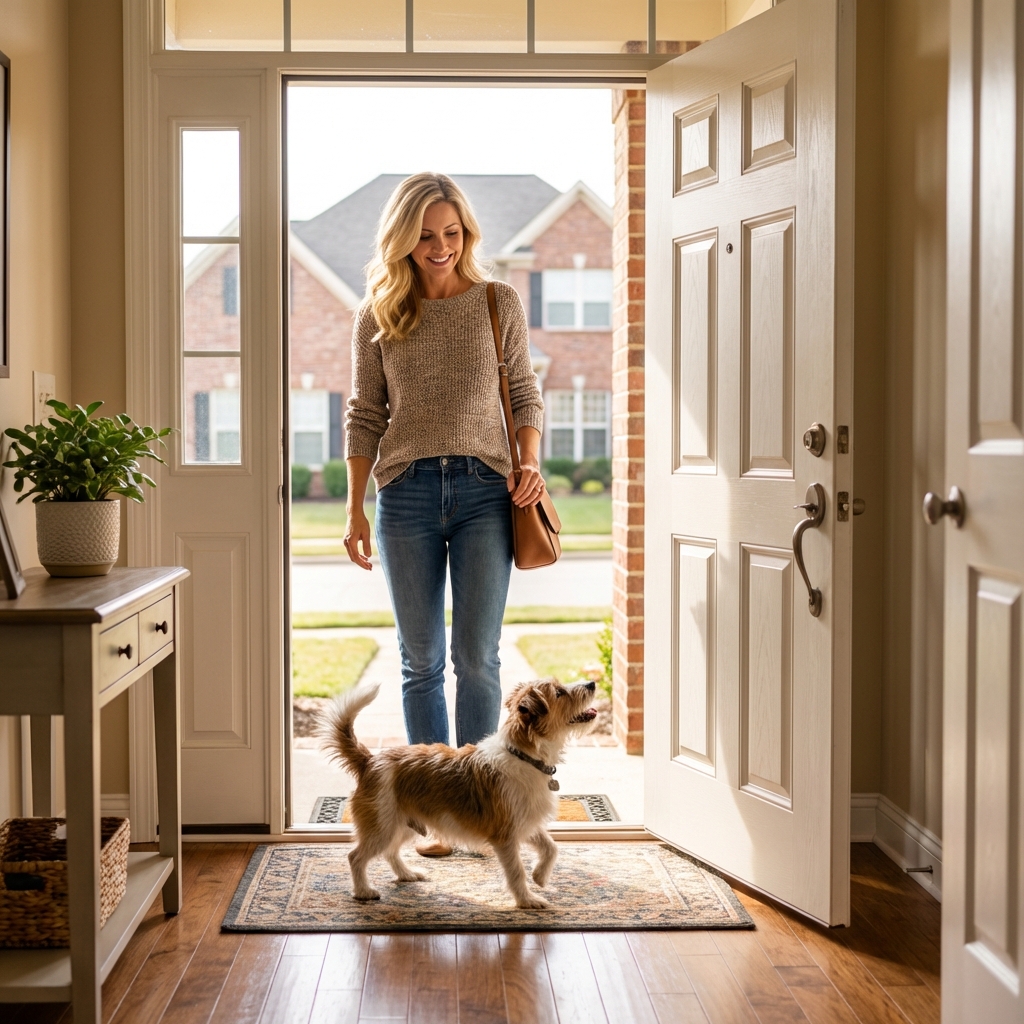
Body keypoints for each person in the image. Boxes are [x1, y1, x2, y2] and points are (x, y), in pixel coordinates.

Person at [343, 173, 546, 856]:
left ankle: (478, 803)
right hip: (404, 494)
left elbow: (524, 392)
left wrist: (530, 462)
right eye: (426, 236)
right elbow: (365, 416)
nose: (440, 247)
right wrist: (354, 508)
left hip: (488, 490)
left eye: (452, 234)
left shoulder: (497, 302)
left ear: (467, 235)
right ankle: (431, 816)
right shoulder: (378, 314)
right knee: (422, 660)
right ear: (403, 239)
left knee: (477, 658)